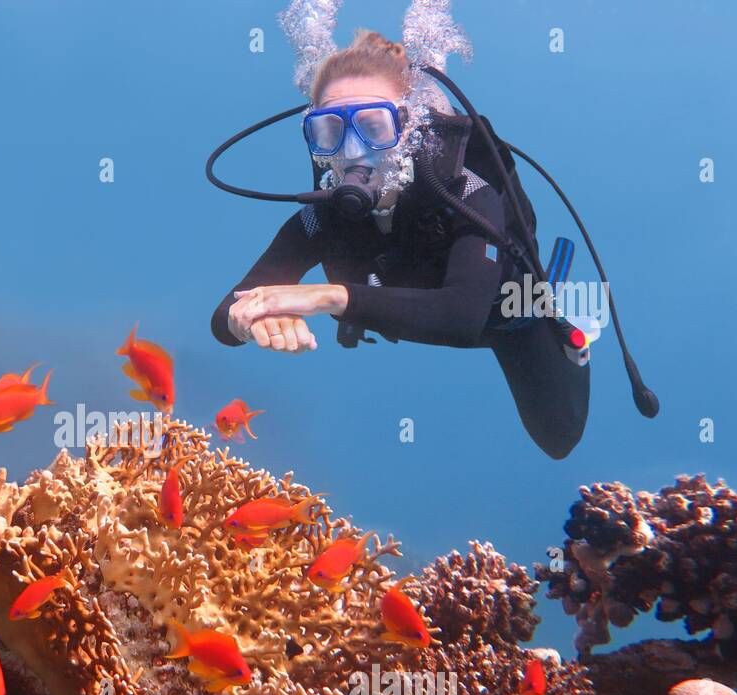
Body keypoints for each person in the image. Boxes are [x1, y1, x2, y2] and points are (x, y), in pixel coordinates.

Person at [210, 29, 590, 459]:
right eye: (331, 130)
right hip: (403, 317)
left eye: (373, 126)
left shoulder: (467, 195)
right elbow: (225, 316)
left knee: (559, 437)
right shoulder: (319, 218)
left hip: (508, 319)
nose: (353, 149)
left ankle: (572, 334)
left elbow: (462, 314)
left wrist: (325, 296)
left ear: (408, 128)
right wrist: (246, 320)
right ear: (315, 143)